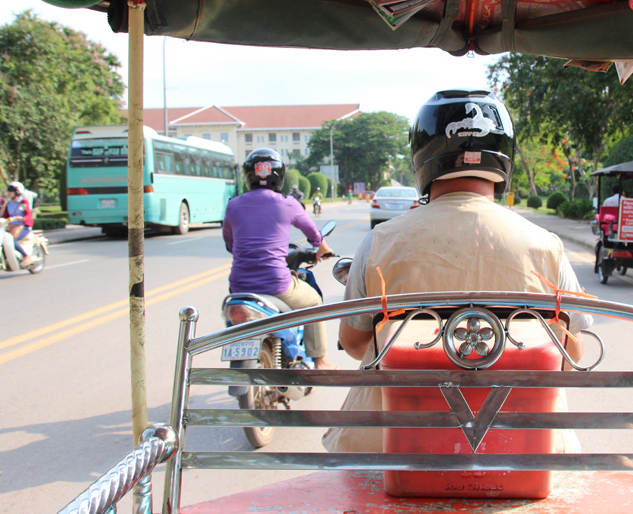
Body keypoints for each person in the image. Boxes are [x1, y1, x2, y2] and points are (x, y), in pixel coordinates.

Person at [324, 90, 591, 453]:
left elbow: (356, 346)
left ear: (423, 157)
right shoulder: (546, 246)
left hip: (391, 448)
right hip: (527, 448)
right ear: (504, 158)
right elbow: (571, 354)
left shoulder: (381, 242)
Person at [223, 149, 337, 370]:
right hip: (276, 283)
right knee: (313, 301)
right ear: (279, 176)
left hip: (238, 286)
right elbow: (314, 235)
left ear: (248, 176)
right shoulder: (288, 203)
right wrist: (323, 248)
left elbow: (230, 245)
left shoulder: (233, 205)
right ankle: (320, 360)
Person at [3, 182, 35, 266]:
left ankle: (27, 257)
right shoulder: (9, 203)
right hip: (12, 227)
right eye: (8, 191)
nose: (9, 193)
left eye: (11, 191)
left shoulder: (23, 202)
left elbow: (28, 214)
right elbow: (5, 215)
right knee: (2, 240)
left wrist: (23, 218)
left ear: (17, 192)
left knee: (10, 240)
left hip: (23, 227)